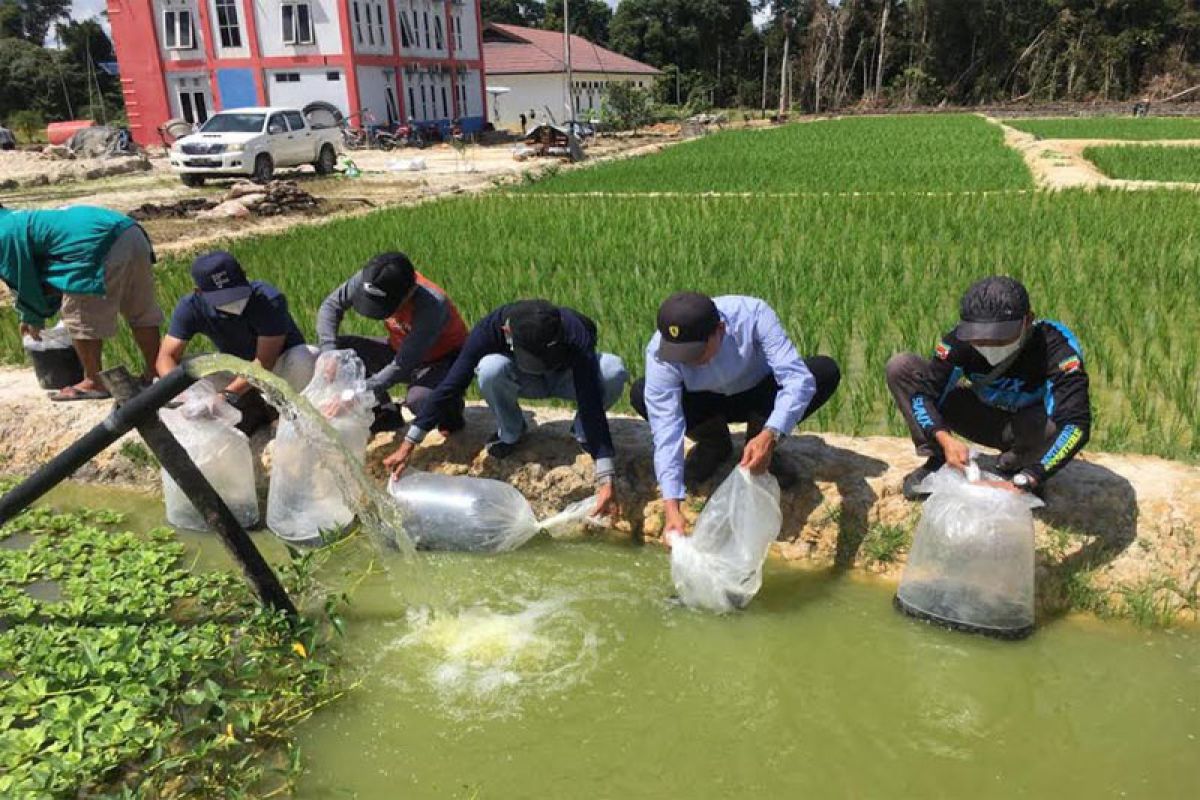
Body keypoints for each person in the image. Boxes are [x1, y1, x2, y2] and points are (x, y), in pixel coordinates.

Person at [383, 299, 628, 518]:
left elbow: (590, 398)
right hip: (523, 380)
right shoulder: (488, 331)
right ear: (507, 332)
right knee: (490, 368)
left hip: (567, 380)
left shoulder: (576, 331)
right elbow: (451, 385)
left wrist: (606, 477)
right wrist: (408, 444)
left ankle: (583, 431)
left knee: (612, 369)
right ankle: (512, 431)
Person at [632, 292, 841, 540]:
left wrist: (770, 434)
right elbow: (666, 428)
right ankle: (713, 444)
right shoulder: (660, 351)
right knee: (640, 392)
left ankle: (762, 447)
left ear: (719, 330)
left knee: (823, 371)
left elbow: (797, 380)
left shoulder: (753, 314)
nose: (688, 362)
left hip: (757, 394)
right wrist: (672, 508)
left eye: (695, 353)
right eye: (680, 356)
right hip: (704, 402)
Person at [885, 275, 1091, 500]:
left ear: (1028, 320)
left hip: (1029, 428)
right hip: (983, 416)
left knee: (1051, 426)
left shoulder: (1057, 348)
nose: (988, 344)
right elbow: (924, 393)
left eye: (1000, 338)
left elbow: (1075, 424)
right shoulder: (960, 341)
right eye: (980, 338)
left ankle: (1021, 464)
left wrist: (1032, 476)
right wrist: (944, 439)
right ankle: (940, 458)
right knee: (902, 368)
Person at [0, 204, 162, 400]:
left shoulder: (4, 232)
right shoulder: (18, 219)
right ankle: (155, 372)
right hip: (130, 231)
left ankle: (94, 381)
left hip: (94, 246)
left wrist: (31, 316)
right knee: (140, 309)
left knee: (79, 314)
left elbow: (22, 278)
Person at [156, 251, 318, 435]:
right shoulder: (191, 307)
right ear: (199, 292)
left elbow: (264, 362)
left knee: (305, 356)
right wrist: (185, 397)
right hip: (237, 368)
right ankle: (247, 406)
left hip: (279, 370)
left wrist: (226, 395)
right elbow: (166, 356)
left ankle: (286, 409)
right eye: (222, 298)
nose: (232, 302)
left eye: (236, 293)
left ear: (245, 276)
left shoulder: (268, 300)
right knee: (186, 368)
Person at [316, 252, 468, 433]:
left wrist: (357, 394)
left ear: (409, 293)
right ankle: (385, 412)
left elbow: (402, 364)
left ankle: (449, 409)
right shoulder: (372, 280)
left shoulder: (432, 306)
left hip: (443, 360)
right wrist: (330, 353)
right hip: (399, 348)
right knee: (341, 351)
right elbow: (331, 306)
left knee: (420, 400)